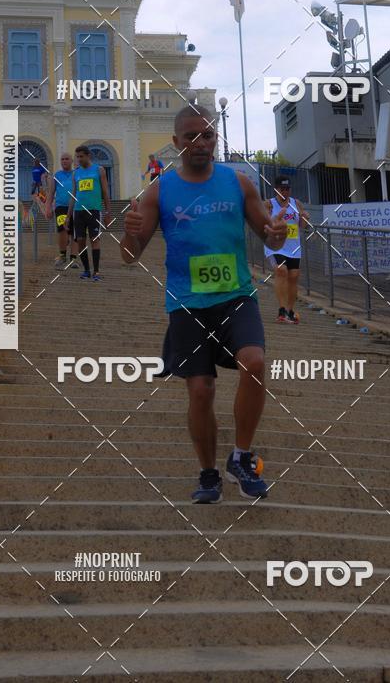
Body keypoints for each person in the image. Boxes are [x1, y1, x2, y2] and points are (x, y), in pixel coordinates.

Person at [120, 106, 288, 504]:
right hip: (187, 304)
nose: (201, 143)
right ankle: (208, 473)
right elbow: (130, 256)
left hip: (236, 296)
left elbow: (271, 238)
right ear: (176, 142)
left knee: (256, 361)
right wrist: (127, 236)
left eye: (208, 135)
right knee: (200, 390)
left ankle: (241, 457)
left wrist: (278, 234)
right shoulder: (159, 191)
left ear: (216, 140)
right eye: (192, 136)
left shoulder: (239, 183)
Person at [264, 175, 310, 324]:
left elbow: (303, 227)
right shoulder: (269, 205)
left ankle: (290, 310)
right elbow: (261, 224)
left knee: (294, 275)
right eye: (282, 189)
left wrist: (305, 219)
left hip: (293, 247)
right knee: (281, 270)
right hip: (275, 245)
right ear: (276, 190)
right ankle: (281, 310)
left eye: (287, 189)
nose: (285, 192)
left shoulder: (296, 203)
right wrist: (272, 221)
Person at [66, 145, 111, 281]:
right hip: (78, 212)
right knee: (80, 241)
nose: (79, 159)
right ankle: (86, 270)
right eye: (77, 157)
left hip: (94, 211)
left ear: (88, 156)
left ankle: (96, 271)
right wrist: (68, 216)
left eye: (81, 156)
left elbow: (105, 191)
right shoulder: (76, 173)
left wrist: (108, 212)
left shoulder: (99, 170)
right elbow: (73, 194)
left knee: (95, 239)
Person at [46, 153, 79, 269]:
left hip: (76, 207)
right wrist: (48, 207)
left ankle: (74, 259)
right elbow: (50, 193)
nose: (64, 161)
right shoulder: (57, 175)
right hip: (61, 206)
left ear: (71, 161)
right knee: (62, 230)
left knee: (74, 232)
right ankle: (62, 255)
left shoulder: (77, 174)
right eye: (62, 159)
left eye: (66, 159)